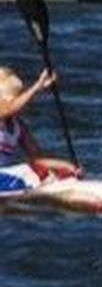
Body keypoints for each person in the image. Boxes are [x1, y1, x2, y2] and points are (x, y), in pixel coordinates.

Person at [0, 66, 79, 194]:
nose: (24, 103)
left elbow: (37, 160)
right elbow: (11, 107)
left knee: (55, 173)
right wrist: (37, 86)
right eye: (14, 98)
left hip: (4, 177)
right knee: (34, 174)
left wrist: (65, 166)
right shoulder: (4, 109)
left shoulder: (20, 128)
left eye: (20, 96)